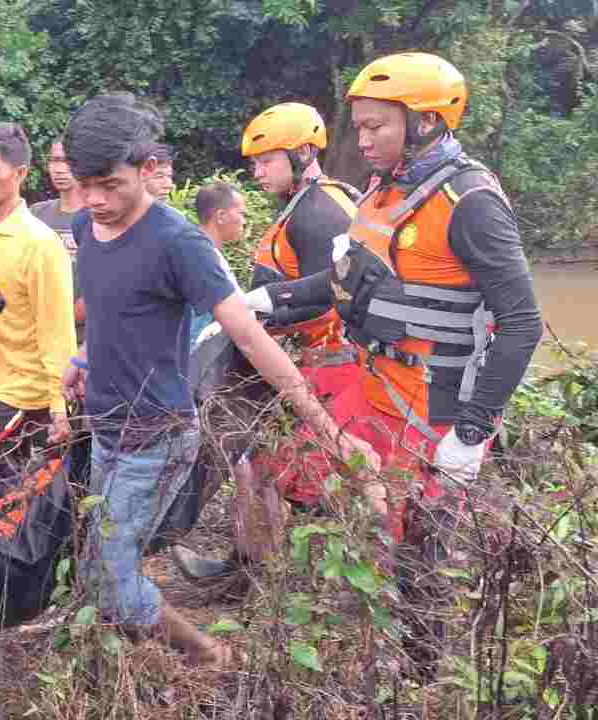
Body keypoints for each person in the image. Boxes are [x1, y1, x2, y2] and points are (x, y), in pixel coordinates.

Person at [60, 93, 379, 669]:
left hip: (155, 435)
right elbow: (111, 312)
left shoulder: (179, 243)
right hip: (103, 427)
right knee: (103, 561)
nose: (95, 200)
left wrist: (331, 432)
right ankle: (129, 658)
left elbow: (253, 338)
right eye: (85, 186)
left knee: (108, 574)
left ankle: (210, 655)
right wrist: (83, 360)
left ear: (149, 170)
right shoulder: (86, 226)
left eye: (110, 184)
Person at [234, 54, 542, 579]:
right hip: (373, 387)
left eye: (377, 126)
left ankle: (423, 655)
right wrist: (260, 302)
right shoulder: (381, 190)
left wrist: (471, 432)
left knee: (423, 561)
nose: (363, 141)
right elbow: (343, 281)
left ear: (424, 121)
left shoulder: (469, 201)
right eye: (359, 128)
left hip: (435, 404)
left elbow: (522, 324)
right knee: (304, 481)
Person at [0, 122, 76, 478]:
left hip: (26, 396)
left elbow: (56, 329)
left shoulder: (39, 244)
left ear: (20, 173)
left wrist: (60, 408)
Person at [239, 102, 362, 401]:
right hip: (323, 366)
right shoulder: (307, 202)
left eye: (266, 161)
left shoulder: (318, 213)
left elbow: (329, 302)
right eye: (255, 164)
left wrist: (255, 321)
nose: (257, 172)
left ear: (303, 152)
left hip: (337, 372)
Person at [30, 137, 87, 333]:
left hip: (85, 338)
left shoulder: (100, 215)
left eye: (67, 160)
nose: (59, 168)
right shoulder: (36, 213)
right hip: (36, 333)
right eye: (54, 160)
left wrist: (60, 322)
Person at [188, 182, 246, 344]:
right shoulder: (204, 257)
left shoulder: (197, 249)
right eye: (241, 214)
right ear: (220, 216)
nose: (244, 221)